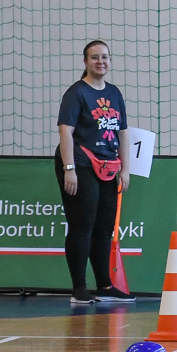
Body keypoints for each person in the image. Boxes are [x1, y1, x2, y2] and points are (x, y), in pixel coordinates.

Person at [55, 40, 133, 307]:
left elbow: (123, 132)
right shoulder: (76, 92)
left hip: (108, 166)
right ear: (86, 61)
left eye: (105, 57)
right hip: (81, 162)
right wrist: (69, 169)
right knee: (82, 225)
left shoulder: (114, 93)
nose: (101, 62)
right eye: (95, 57)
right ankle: (79, 289)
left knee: (104, 227)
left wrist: (125, 169)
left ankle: (105, 286)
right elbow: (65, 131)